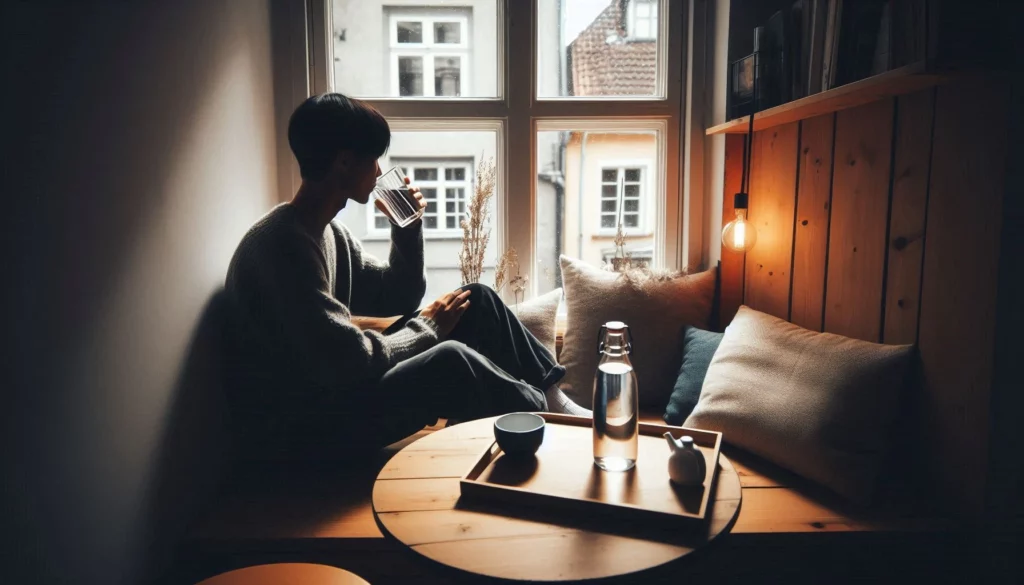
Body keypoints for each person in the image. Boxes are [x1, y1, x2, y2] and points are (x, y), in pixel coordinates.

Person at [224, 93, 588, 460]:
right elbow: (351, 361)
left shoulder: (329, 233)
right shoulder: (284, 247)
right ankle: (544, 420)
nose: (379, 171)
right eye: (373, 158)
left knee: (475, 301)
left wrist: (408, 228)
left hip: (338, 391)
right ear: (344, 163)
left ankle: (553, 401)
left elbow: (397, 295)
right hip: (307, 429)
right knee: (451, 360)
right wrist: (429, 328)